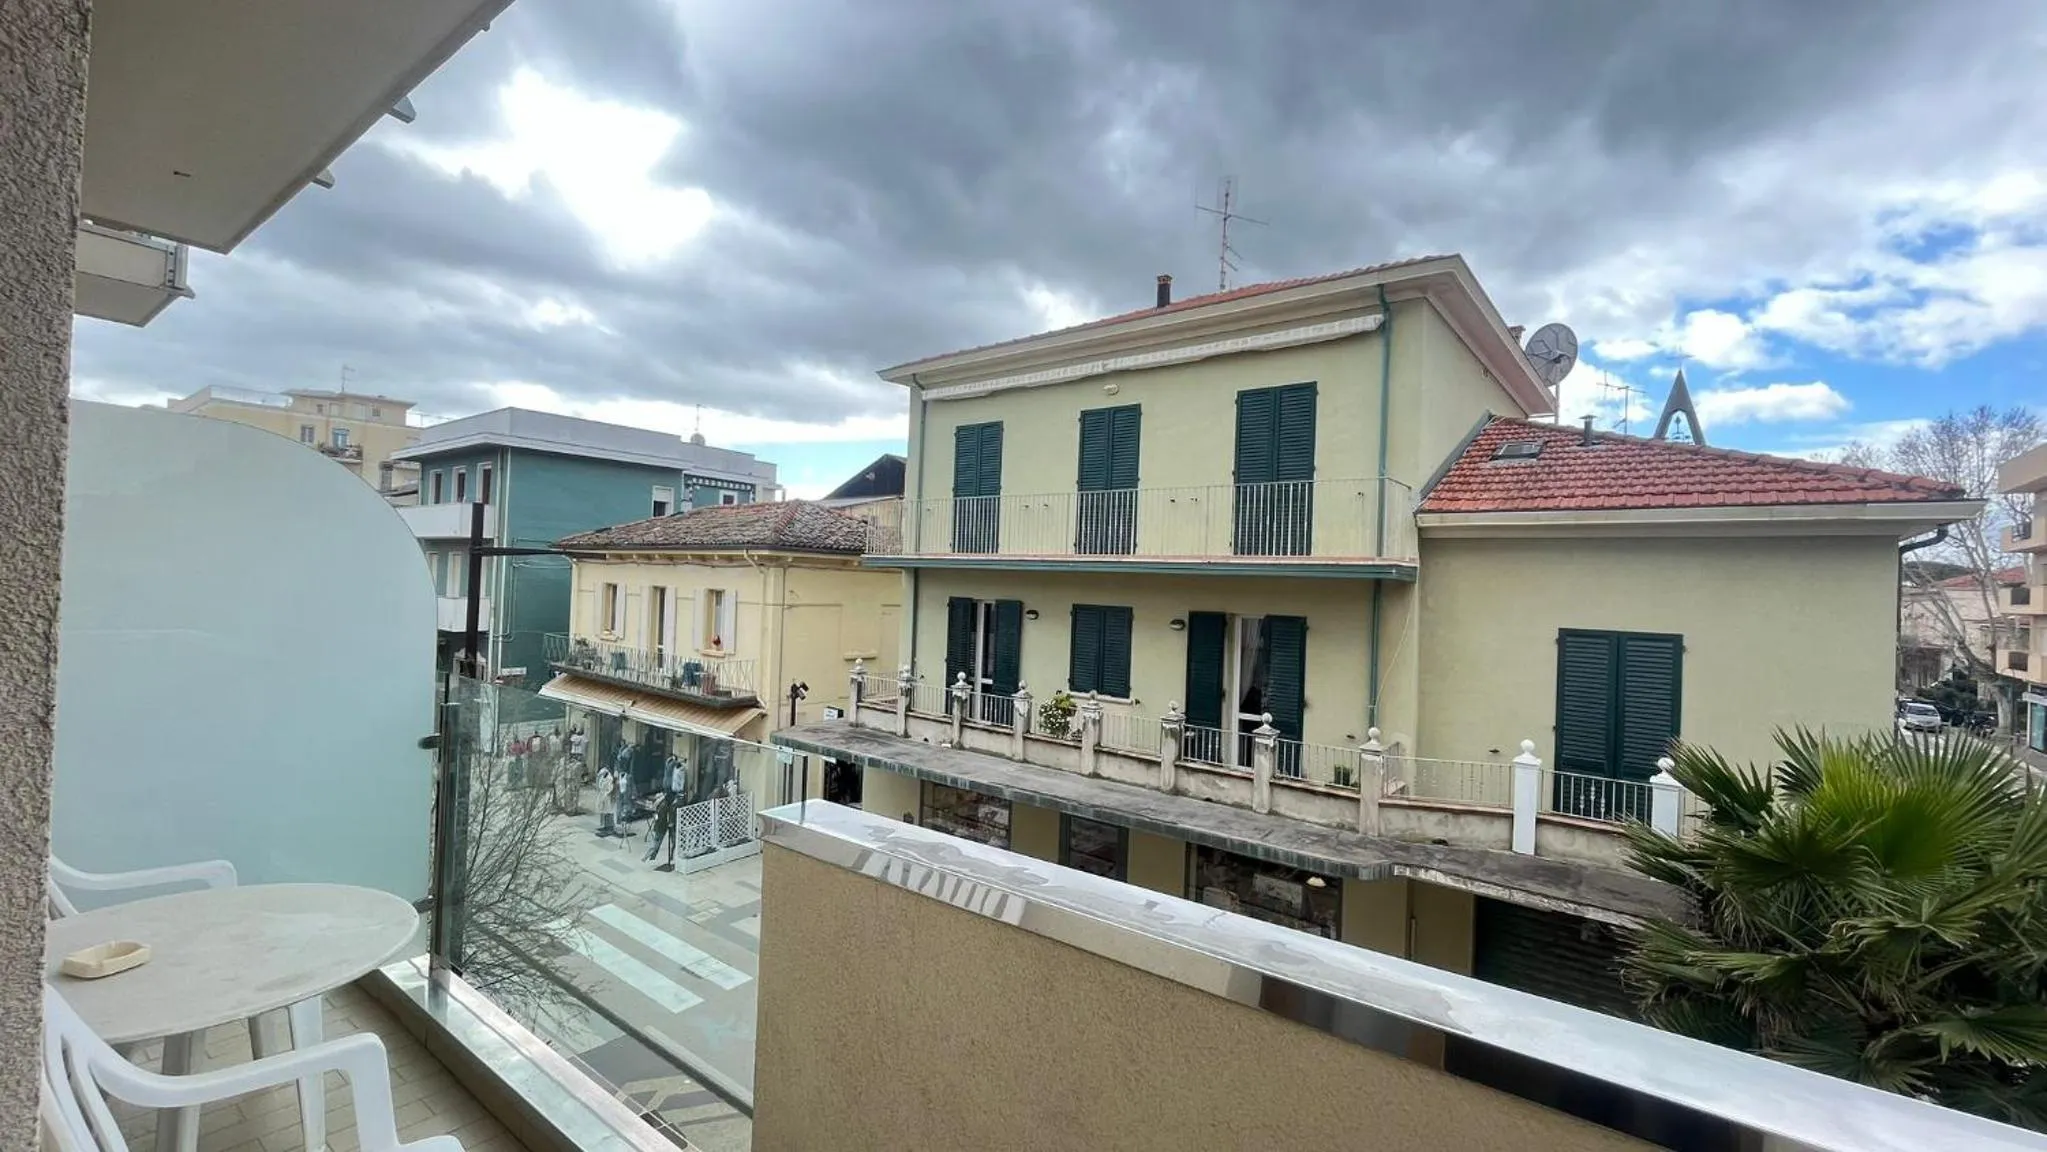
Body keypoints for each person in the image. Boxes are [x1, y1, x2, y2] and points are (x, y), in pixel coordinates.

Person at [643, 752, 690, 870]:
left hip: (662, 825)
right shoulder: (669, 804)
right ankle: (668, 856)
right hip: (665, 825)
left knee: (659, 842)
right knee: (670, 841)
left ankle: (654, 855)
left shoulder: (665, 803)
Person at [594, 764, 619, 837]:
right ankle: (606, 826)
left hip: (608, 797)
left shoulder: (610, 778)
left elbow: (610, 788)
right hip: (603, 796)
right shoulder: (602, 776)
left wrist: (606, 794)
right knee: (604, 812)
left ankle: (610, 828)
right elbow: (599, 785)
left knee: (609, 812)